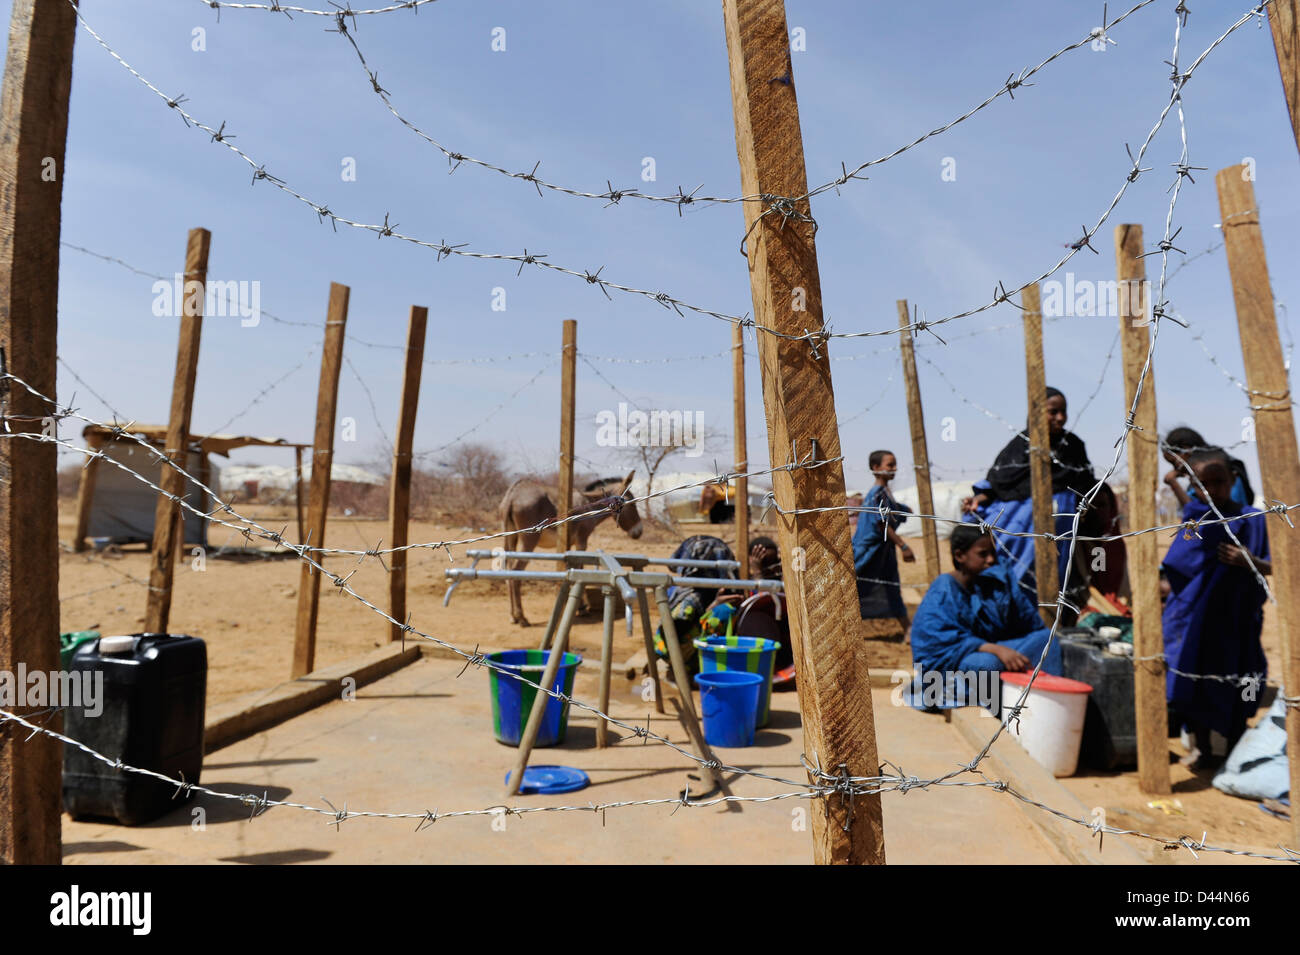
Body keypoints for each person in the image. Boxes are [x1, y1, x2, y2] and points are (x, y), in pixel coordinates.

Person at [1160, 448, 1270, 770]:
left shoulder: (1253, 519)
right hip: (1198, 622)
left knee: (1242, 681)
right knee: (1196, 682)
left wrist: (1249, 561)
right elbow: (1179, 567)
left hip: (1239, 622)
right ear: (1194, 487)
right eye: (1202, 485)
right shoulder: (1195, 518)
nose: (1211, 491)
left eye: (1218, 482)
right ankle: (1203, 749)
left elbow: (1276, 566)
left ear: (1233, 479)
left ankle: (1236, 749)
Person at [961, 387, 1095, 617]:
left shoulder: (1073, 446)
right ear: (1036, 413)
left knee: (1053, 579)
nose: (1061, 418)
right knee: (1015, 574)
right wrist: (978, 500)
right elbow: (999, 484)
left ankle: (1045, 622)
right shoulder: (1021, 445)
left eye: (1063, 412)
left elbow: (1087, 485)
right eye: (1053, 412)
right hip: (1020, 529)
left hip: (1060, 532)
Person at [907, 524, 1062, 710]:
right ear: (959, 556)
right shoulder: (943, 590)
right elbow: (936, 644)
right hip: (949, 668)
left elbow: (1025, 623)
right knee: (987, 664)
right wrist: (995, 649)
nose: (990, 560)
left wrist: (1004, 587)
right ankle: (1001, 711)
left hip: (987, 650)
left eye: (992, 554)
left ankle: (1049, 706)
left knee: (1046, 640)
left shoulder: (986, 583)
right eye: (983, 554)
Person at [852, 450, 915, 629]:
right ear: (876, 468)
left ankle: (907, 628)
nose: (894, 468)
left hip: (882, 551)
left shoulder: (884, 493)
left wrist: (903, 509)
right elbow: (882, 525)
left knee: (891, 586)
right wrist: (903, 546)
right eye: (890, 465)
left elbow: (890, 510)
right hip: (868, 551)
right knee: (855, 586)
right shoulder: (877, 493)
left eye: (894, 464)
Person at [1162, 426, 1255, 510]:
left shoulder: (1225, 472)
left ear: (1186, 449)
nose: (1175, 469)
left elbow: (1228, 514)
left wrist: (1174, 483)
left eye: (1174, 462)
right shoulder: (1195, 484)